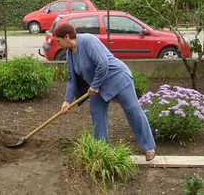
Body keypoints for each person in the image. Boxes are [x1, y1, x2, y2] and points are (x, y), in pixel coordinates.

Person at [53, 23, 156, 161]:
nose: (58, 44)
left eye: (58, 41)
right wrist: (67, 100)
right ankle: (102, 149)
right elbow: (72, 79)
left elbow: (103, 63)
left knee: (132, 110)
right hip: (98, 87)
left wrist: (94, 85)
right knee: (97, 112)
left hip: (118, 78)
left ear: (66, 36)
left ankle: (149, 147)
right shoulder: (69, 53)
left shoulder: (88, 40)